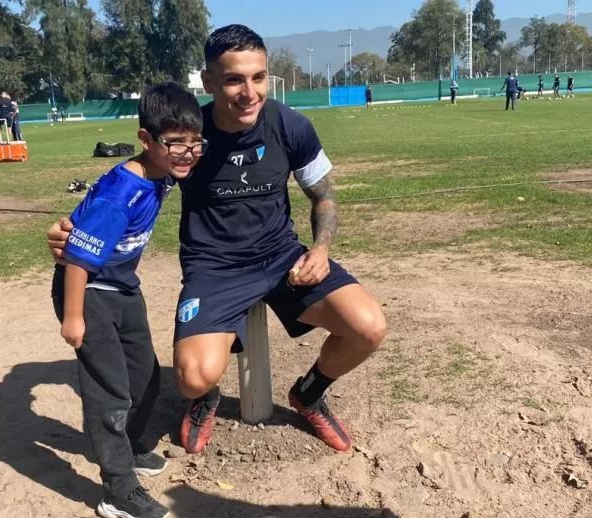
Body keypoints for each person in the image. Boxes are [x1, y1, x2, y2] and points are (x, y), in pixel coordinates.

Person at [47, 24, 387, 455]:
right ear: (208, 82)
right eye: (234, 79)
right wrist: (73, 230)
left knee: (369, 327)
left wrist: (321, 248)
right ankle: (204, 398)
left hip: (283, 258)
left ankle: (308, 393)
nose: (250, 92)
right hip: (214, 269)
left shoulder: (291, 126)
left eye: (258, 77)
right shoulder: (191, 134)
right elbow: (128, 181)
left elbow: (323, 197)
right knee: (192, 376)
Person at [53, 82, 205, 518]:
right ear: (145, 139)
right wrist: (73, 316)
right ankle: (118, 489)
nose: (186, 153)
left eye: (194, 143)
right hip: (88, 293)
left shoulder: (163, 175)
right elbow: (78, 257)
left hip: (123, 287)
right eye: (175, 143)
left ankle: (133, 448)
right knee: (110, 392)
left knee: (145, 376)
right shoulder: (122, 192)